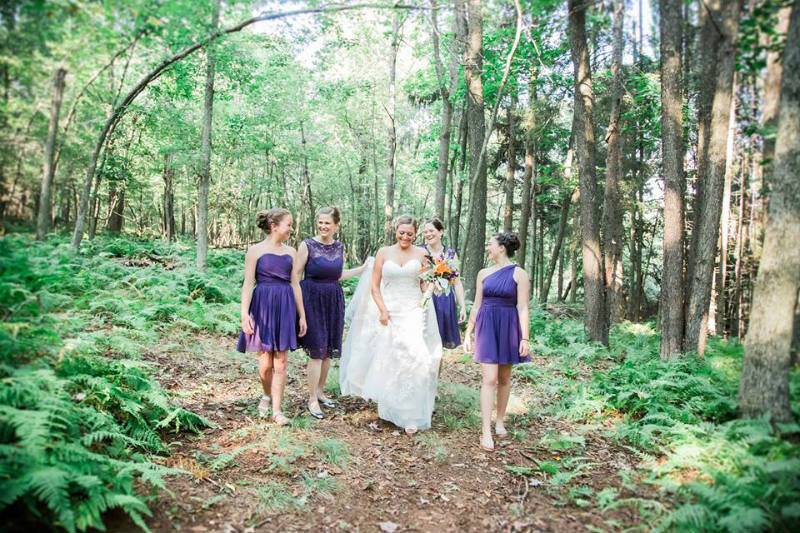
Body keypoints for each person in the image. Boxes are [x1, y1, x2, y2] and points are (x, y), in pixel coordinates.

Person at [339, 215, 443, 434]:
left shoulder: (422, 254)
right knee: (391, 358)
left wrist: (432, 290)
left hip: (414, 310)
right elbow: (375, 286)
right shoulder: (384, 253)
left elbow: (425, 282)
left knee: (415, 358)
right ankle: (390, 408)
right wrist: (383, 310)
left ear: (415, 234)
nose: (405, 237)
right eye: (401, 232)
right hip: (389, 311)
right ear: (396, 231)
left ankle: (411, 413)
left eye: (410, 234)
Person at [237, 208, 307, 426]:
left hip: (285, 303)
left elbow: (295, 283)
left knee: (282, 361)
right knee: (265, 362)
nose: (291, 229)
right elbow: (248, 284)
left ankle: (277, 410)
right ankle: (266, 394)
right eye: (288, 224)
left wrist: (302, 315)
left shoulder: (291, 251)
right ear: (274, 226)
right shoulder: (255, 251)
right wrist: (244, 314)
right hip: (263, 305)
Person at [294, 206, 365, 419]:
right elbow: (296, 277)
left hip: (333, 299)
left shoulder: (339, 247)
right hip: (311, 299)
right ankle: (311, 399)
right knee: (316, 350)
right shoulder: (307, 245)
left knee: (328, 350)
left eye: (328, 223)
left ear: (336, 225)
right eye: (321, 222)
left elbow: (337, 275)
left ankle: (320, 391)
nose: (323, 226)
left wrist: (362, 269)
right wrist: (299, 311)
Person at [463, 232, 531, 451]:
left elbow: (522, 307)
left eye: (490, 244)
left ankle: (500, 420)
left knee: (504, 377)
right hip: (487, 325)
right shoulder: (483, 273)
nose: (487, 248)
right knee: (489, 378)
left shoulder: (519, 274)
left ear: (501, 248)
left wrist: (525, 337)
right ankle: (485, 431)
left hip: (509, 325)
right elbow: (476, 305)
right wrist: (468, 333)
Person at [421, 217, 466, 349]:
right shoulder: (420, 251)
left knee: (440, 346)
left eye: (431, 230)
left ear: (441, 232)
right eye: (425, 232)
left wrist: (462, 305)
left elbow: (456, 283)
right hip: (425, 298)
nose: (428, 234)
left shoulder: (450, 254)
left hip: (444, 300)